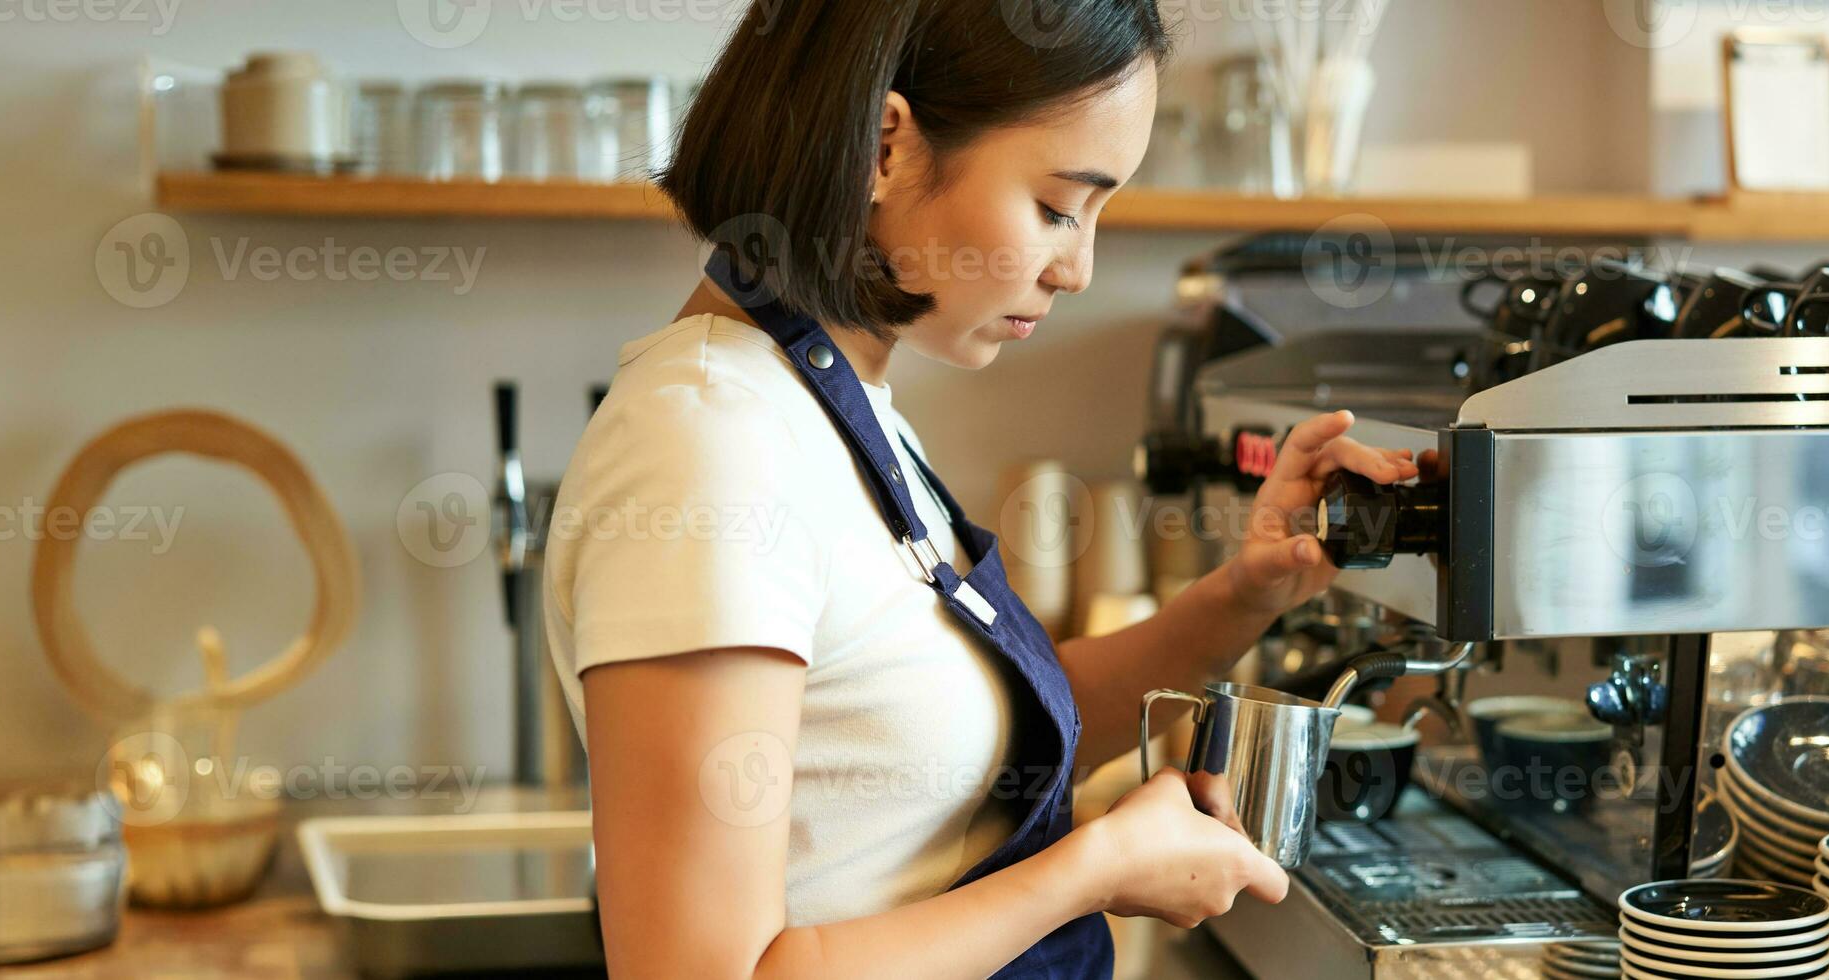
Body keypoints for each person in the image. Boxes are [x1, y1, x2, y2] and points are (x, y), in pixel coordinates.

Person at [539, 1, 1421, 976]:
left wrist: (1247, 590)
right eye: (1056, 206)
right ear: (884, 146)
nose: (1077, 267)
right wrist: (1093, 866)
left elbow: (973, 750)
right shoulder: (707, 441)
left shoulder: (833, 407)